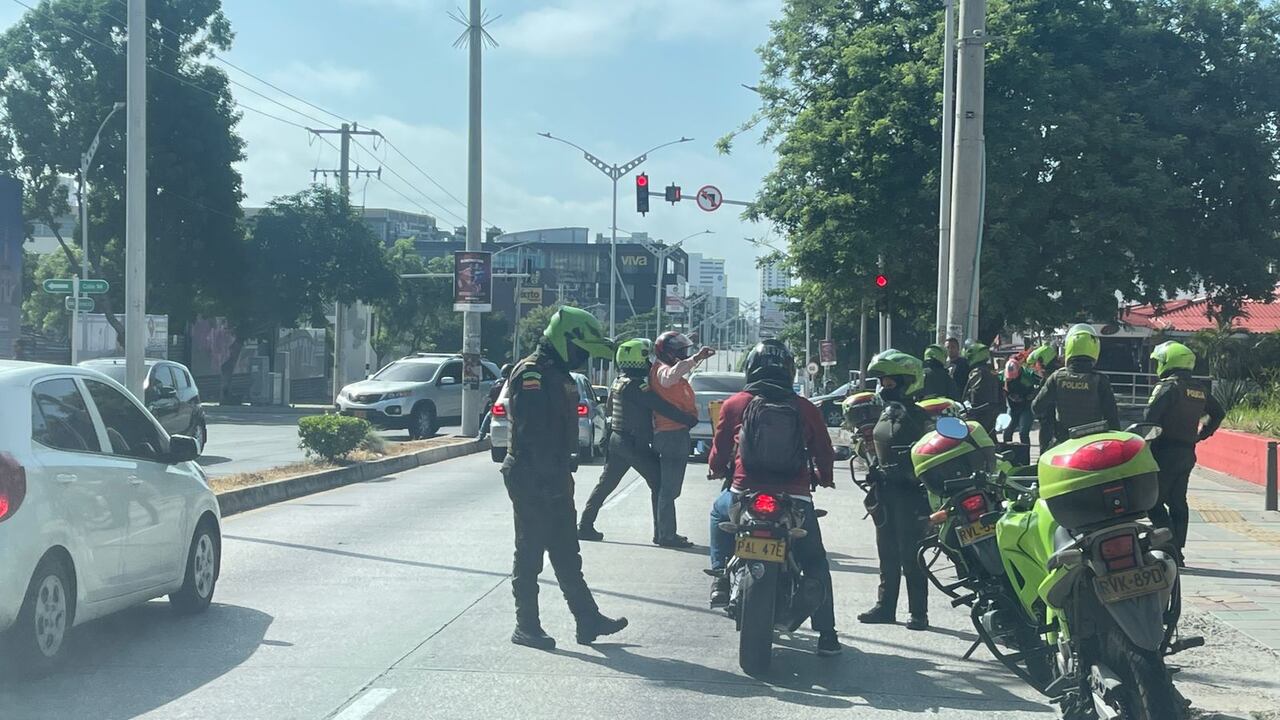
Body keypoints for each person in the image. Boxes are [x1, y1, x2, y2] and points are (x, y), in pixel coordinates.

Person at [502, 306, 628, 650]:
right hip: (531, 473)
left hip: (554, 473)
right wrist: (545, 480)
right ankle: (526, 625)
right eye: (582, 349)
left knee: (566, 550)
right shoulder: (533, 374)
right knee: (530, 550)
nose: (583, 357)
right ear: (565, 339)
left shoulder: (558, 374)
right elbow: (532, 435)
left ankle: (587, 619)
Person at [706, 339, 841, 656]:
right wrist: (825, 478)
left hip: (744, 494)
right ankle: (828, 635)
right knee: (814, 561)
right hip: (794, 498)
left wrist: (715, 469)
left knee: (717, 512)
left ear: (751, 368)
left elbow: (720, 450)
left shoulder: (735, 404)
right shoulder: (805, 407)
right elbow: (824, 451)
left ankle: (720, 580)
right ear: (790, 371)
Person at [578, 339, 698, 542]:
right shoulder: (636, 386)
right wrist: (687, 419)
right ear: (638, 359)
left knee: (606, 485)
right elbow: (660, 405)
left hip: (618, 440)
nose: (650, 362)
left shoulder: (618, 382)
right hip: (633, 443)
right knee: (659, 483)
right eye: (646, 357)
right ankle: (663, 534)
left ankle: (585, 524)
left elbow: (609, 409)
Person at [860, 349, 932, 631]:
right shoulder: (885, 413)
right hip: (884, 489)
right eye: (883, 383)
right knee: (886, 551)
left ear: (907, 381)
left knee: (910, 553)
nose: (884, 387)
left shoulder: (919, 416)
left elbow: (928, 451)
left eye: (890, 383)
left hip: (910, 491)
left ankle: (918, 613)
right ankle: (885, 606)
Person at [1144, 341, 1225, 565]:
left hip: (1163, 452)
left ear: (1169, 362)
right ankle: (1178, 548)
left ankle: (1169, 548)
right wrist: (1202, 434)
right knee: (1178, 502)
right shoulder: (1199, 389)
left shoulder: (1168, 387)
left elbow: (1149, 418)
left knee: (1153, 502)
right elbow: (1218, 413)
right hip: (1187, 453)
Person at [649, 331, 715, 548]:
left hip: (675, 434)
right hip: (671, 435)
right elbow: (671, 376)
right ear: (668, 353)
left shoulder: (664, 367)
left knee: (669, 489)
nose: (682, 355)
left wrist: (695, 352)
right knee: (669, 489)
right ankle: (666, 535)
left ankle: (665, 533)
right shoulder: (662, 372)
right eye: (679, 351)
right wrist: (695, 358)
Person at [1031, 324, 1120, 449]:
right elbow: (1112, 418)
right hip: (1092, 445)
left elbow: (1037, 407)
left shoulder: (1056, 377)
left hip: (1064, 443)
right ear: (1094, 349)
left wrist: (1051, 424)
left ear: (1069, 347)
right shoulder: (1100, 380)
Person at [1027, 344, 1063, 453]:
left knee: (1045, 453)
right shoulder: (1062, 374)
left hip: (1049, 422)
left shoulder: (1049, 379)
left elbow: (1037, 405)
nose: (1035, 367)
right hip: (1064, 424)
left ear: (1042, 361)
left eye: (1036, 363)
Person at [962, 342, 1002, 433]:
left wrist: (972, 410)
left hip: (979, 415)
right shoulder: (991, 372)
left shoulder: (978, 372)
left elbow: (973, 396)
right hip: (991, 414)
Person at [1002, 353, 1038, 446]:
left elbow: (1041, 386)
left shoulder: (1028, 376)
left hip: (1026, 407)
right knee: (1007, 431)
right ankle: (1008, 452)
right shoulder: (1002, 376)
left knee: (1023, 433)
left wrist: (1032, 395)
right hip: (1012, 406)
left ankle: (1025, 457)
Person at [477, 363, 513, 440]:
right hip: (508, 407)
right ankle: (481, 434)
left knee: (488, 416)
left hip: (499, 406)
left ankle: (481, 434)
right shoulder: (512, 382)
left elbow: (491, 395)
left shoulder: (498, 382)